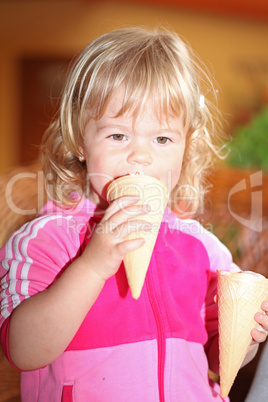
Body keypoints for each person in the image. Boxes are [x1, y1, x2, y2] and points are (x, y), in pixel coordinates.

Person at [0, 26, 267, 402]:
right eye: (118, 136)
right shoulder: (47, 239)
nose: (141, 156)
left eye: (162, 139)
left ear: (186, 146)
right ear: (78, 138)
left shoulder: (205, 251)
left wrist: (246, 338)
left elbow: (220, 358)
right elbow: (23, 350)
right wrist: (93, 266)